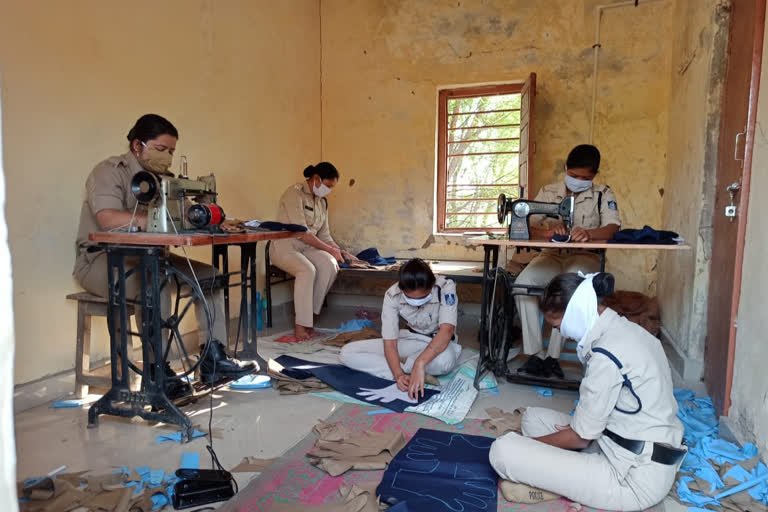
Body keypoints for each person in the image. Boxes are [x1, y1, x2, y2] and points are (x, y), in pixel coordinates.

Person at [73, 114, 254, 398]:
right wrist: (156, 218)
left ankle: (212, 358)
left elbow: (185, 214)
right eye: (160, 149)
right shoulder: (109, 171)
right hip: (102, 261)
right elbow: (107, 219)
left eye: (171, 151)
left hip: (151, 258)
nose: (167, 157)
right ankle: (157, 372)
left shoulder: (164, 180)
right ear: (137, 145)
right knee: (155, 285)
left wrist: (209, 220)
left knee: (210, 277)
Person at [489, 272, 686, 511]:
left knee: (503, 450)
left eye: (558, 326)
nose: (560, 333)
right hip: (620, 440)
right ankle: (565, 478)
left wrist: (533, 445)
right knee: (533, 418)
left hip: (633, 476)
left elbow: (580, 437)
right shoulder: (626, 329)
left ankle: (559, 481)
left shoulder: (606, 353)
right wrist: (573, 432)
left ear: (575, 314)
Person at [514, 144, 621, 379]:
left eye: (585, 177)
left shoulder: (603, 194)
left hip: (585, 256)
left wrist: (589, 234)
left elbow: (613, 228)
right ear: (566, 168)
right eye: (573, 175)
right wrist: (547, 232)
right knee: (522, 285)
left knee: (570, 289)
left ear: (594, 176)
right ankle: (535, 354)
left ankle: (553, 357)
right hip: (551, 255)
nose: (578, 181)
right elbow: (526, 224)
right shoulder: (550, 191)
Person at [339, 259, 462, 400]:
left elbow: (447, 331)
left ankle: (411, 367)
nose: (417, 302)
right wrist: (398, 375)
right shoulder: (393, 295)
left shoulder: (445, 286)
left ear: (432, 286)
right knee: (347, 353)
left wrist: (420, 362)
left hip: (438, 343)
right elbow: (390, 342)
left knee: (445, 361)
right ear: (402, 289)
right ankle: (407, 373)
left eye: (423, 297)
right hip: (410, 339)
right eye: (410, 298)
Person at [270, 162, 355, 340]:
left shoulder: (322, 202)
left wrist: (341, 252)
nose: (329, 190)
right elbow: (302, 233)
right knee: (307, 270)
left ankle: (309, 322)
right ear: (316, 179)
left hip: (307, 248)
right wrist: (330, 250)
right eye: (328, 186)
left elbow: (325, 236)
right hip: (285, 246)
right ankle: (301, 328)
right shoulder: (294, 194)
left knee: (330, 265)